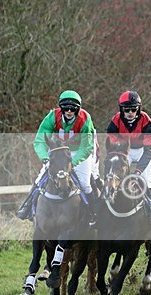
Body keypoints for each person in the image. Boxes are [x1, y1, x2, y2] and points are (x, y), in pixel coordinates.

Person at [16, 90, 99, 227]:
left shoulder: (85, 119)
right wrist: (45, 158)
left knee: (84, 183)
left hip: (79, 152)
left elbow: (87, 146)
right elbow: (40, 141)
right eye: (66, 108)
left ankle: (93, 213)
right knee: (41, 178)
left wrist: (73, 162)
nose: (69, 111)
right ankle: (27, 207)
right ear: (61, 108)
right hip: (58, 151)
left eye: (73, 108)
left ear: (78, 109)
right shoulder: (52, 117)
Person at [106, 90, 151, 231]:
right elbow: (112, 144)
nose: (130, 113)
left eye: (134, 109)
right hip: (122, 150)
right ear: (121, 110)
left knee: (150, 180)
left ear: (138, 108)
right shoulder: (115, 120)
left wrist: (138, 171)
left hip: (142, 151)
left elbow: (150, 149)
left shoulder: (146, 120)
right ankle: (102, 211)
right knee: (113, 174)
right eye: (127, 110)